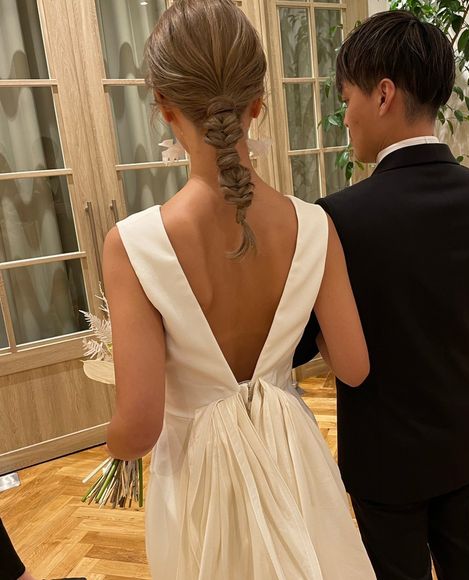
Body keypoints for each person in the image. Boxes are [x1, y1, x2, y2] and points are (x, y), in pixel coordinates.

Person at [102, 1, 376, 579]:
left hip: (199, 480)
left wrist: (113, 446)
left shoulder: (133, 245)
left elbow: (140, 426)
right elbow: (353, 367)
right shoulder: (315, 226)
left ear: (164, 107)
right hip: (293, 463)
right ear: (258, 103)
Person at [294, 10, 469, 580]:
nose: (345, 117)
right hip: (463, 446)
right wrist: (467, 418)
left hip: (383, 462)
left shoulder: (338, 218)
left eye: (347, 98)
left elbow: (300, 345)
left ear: (383, 95)